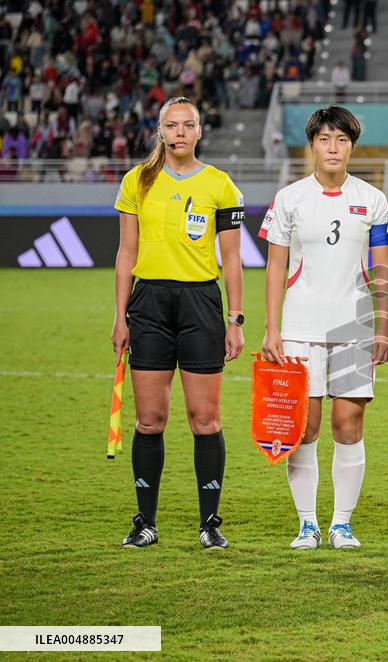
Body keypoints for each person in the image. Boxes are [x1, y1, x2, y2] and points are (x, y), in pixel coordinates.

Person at [112, 96, 246, 549]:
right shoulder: (137, 181)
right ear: (161, 130)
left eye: (189, 125)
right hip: (148, 304)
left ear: (200, 131)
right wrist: (120, 316)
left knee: (204, 419)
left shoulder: (220, 185)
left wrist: (235, 319)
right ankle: (145, 523)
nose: (181, 132)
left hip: (201, 304)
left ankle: (210, 524)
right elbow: (126, 254)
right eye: (172, 125)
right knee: (150, 419)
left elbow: (232, 258)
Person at [259, 106, 388, 550]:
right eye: (324, 139)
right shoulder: (289, 199)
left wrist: (382, 327)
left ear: (352, 147)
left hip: (354, 329)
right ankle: (307, 524)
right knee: (305, 428)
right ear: (312, 145)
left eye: (341, 140)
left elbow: (380, 267)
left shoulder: (373, 200)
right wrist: (271, 329)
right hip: (298, 328)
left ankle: (342, 524)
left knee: (348, 425)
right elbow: (275, 269)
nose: (333, 147)